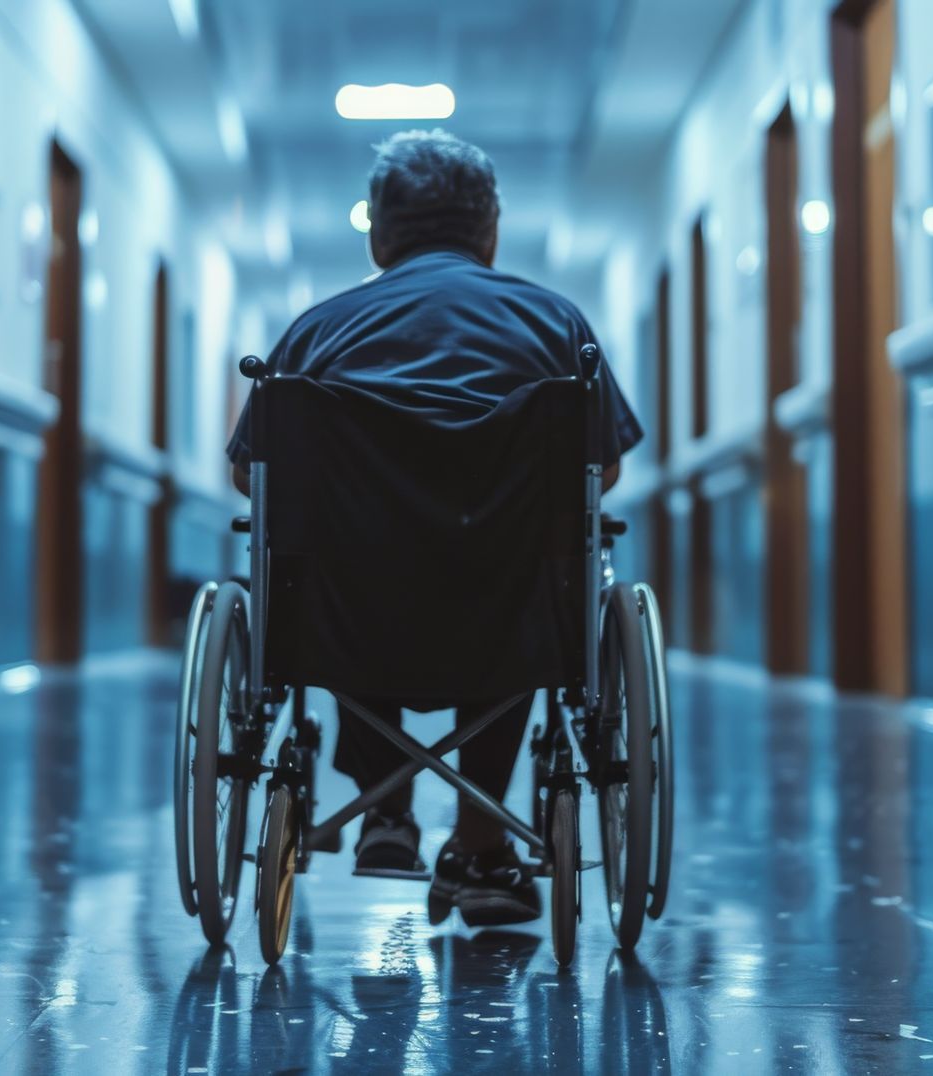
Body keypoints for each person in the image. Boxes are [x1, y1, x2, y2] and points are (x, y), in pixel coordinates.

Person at [225, 129, 643, 927]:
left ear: (379, 234)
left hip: (354, 620)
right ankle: (485, 842)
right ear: (490, 230)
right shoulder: (556, 324)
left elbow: (254, 476)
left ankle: (386, 815)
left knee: (342, 565)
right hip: (513, 617)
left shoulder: (318, 332)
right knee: (519, 574)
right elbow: (603, 471)